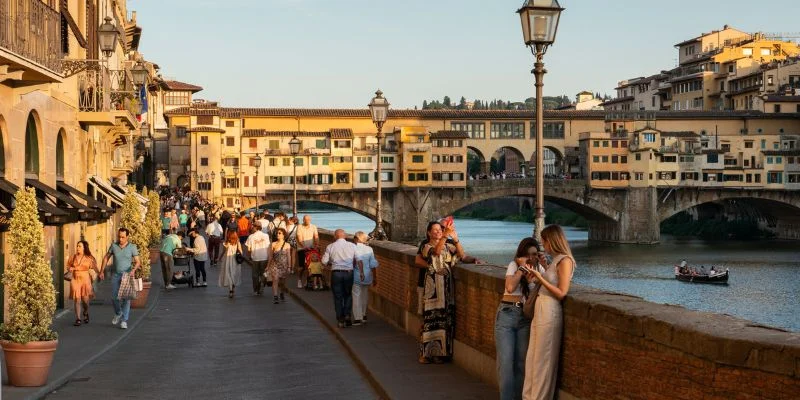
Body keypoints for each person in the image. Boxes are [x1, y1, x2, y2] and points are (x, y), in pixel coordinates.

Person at [522, 225, 576, 400]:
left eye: (544, 241)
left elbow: (561, 292)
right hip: (541, 309)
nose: (543, 245)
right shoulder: (554, 260)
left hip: (550, 310)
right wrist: (539, 274)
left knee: (543, 360)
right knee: (532, 359)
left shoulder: (565, 260)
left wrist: (539, 278)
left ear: (552, 241)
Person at [414, 220, 478, 364]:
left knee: (444, 320)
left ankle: (440, 353)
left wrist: (456, 240)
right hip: (433, 289)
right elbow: (436, 253)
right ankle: (425, 353)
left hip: (447, 288)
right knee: (430, 320)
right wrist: (445, 236)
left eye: (440, 230)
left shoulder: (449, 245)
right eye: (435, 230)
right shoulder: (426, 245)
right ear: (429, 233)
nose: (438, 232)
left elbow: (462, 255)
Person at [496, 237, 538, 400]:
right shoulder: (514, 266)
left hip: (525, 319)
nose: (531, 258)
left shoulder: (538, 269)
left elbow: (535, 295)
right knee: (506, 364)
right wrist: (521, 269)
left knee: (522, 363)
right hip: (507, 315)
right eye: (528, 255)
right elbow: (510, 287)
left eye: (534, 254)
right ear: (521, 255)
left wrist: (532, 281)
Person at [100, 228, 141, 330]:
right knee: (114, 297)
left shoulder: (132, 247)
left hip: (127, 275)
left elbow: (138, 261)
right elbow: (106, 257)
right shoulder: (114, 246)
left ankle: (124, 321)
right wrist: (101, 271)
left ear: (127, 237)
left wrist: (133, 270)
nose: (120, 239)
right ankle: (118, 313)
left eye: (123, 237)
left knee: (126, 299)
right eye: (119, 236)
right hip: (115, 275)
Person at [322, 229, 356, 327]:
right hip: (349, 273)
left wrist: (330, 263)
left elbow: (324, 261)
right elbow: (357, 258)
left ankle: (340, 318)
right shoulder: (352, 246)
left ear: (335, 237)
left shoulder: (330, 246)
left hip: (336, 273)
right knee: (348, 294)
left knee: (338, 297)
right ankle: (347, 315)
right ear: (345, 236)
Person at [67, 241, 100, 326]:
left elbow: (95, 267)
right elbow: (68, 266)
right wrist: (70, 268)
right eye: (77, 246)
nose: (77, 248)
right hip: (75, 279)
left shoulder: (89, 258)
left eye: (80, 246)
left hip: (85, 280)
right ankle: (78, 318)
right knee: (77, 299)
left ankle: (85, 312)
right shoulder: (73, 257)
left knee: (85, 300)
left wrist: (100, 273)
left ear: (84, 248)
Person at [352, 231, 378, 326]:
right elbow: (373, 264)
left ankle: (358, 318)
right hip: (368, 275)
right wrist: (375, 277)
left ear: (357, 239)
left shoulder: (353, 248)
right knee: (364, 296)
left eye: (354, 237)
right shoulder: (369, 249)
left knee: (356, 296)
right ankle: (363, 315)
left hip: (356, 275)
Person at [267, 228, 294, 304]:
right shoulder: (273, 244)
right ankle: (275, 296)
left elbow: (289, 256)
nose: (277, 234)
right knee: (275, 280)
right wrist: (267, 266)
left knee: (282, 282)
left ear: (283, 235)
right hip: (275, 265)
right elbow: (270, 256)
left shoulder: (287, 245)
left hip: (284, 266)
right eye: (277, 233)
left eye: (279, 233)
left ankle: (282, 292)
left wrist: (289, 267)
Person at [246, 221, 271, 296]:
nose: (252, 228)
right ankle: (262, 284)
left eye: (253, 226)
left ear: (256, 227)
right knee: (263, 273)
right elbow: (268, 247)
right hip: (264, 257)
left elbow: (249, 249)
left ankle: (256, 290)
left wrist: (249, 256)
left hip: (255, 257)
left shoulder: (251, 236)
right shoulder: (266, 236)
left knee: (255, 275)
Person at [296, 215, 319, 289]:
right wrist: (304, 246)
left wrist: (317, 244)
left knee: (310, 266)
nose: (307, 221)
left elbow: (316, 236)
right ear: (303, 220)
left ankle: (306, 281)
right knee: (302, 266)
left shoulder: (313, 227)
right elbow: (299, 238)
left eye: (309, 219)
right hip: (302, 249)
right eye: (306, 219)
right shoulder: (300, 227)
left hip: (311, 249)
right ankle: (299, 280)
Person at [218, 230, 243, 298]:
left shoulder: (227, 243)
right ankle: (232, 289)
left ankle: (231, 290)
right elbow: (241, 251)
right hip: (235, 260)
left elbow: (223, 251)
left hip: (228, 260)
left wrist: (219, 258)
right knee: (234, 274)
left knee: (228, 274)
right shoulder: (237, 242)